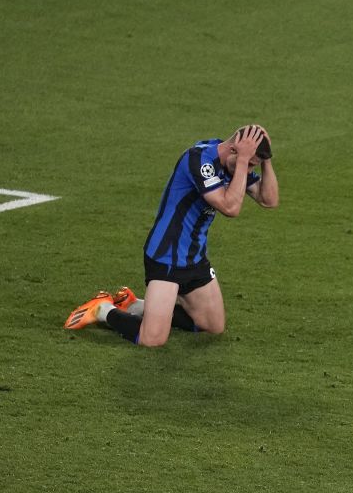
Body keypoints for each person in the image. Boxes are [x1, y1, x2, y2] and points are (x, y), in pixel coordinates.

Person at [63, 124, 279, 346]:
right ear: (234, 149)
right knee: (152, 339)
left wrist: (265, 159)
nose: (249, 169)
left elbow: (269, 200)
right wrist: (244, 161)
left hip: (194, 258)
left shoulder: (233, 164)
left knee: (213, 326)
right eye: (249, 163)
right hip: (166, 256)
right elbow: (230, 207)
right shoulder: (199, 160)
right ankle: (103, 309)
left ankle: (133, 305)